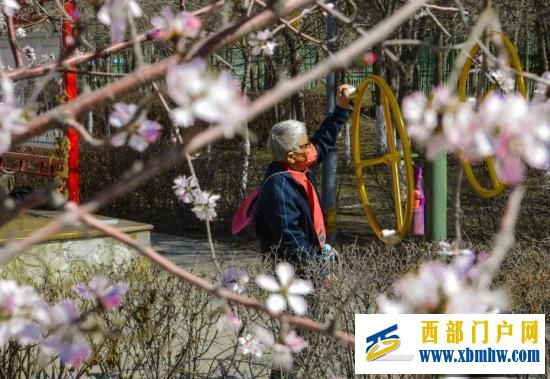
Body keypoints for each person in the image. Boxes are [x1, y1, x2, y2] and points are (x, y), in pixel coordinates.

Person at [255, 84, 353, 268]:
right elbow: (292, 240)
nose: (311, 148)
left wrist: (341, 108)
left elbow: (323, 139)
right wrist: (319, 270)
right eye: (306, 145)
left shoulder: (301, 168)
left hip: (311, 259)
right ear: (291, 156)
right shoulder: (279, 189)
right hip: (294, 273)